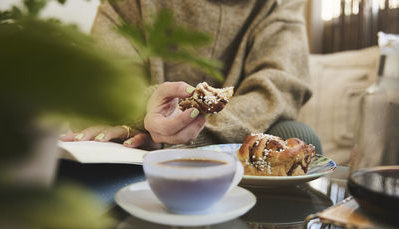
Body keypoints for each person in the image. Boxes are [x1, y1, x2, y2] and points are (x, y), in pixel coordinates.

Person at [61, 0, 323, 153]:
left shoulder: (278, 4)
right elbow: (103, 81)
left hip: (232, 140)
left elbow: (278, 88)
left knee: (297, 136)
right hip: (133, 134)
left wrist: (188, 133)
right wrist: (145, 117)